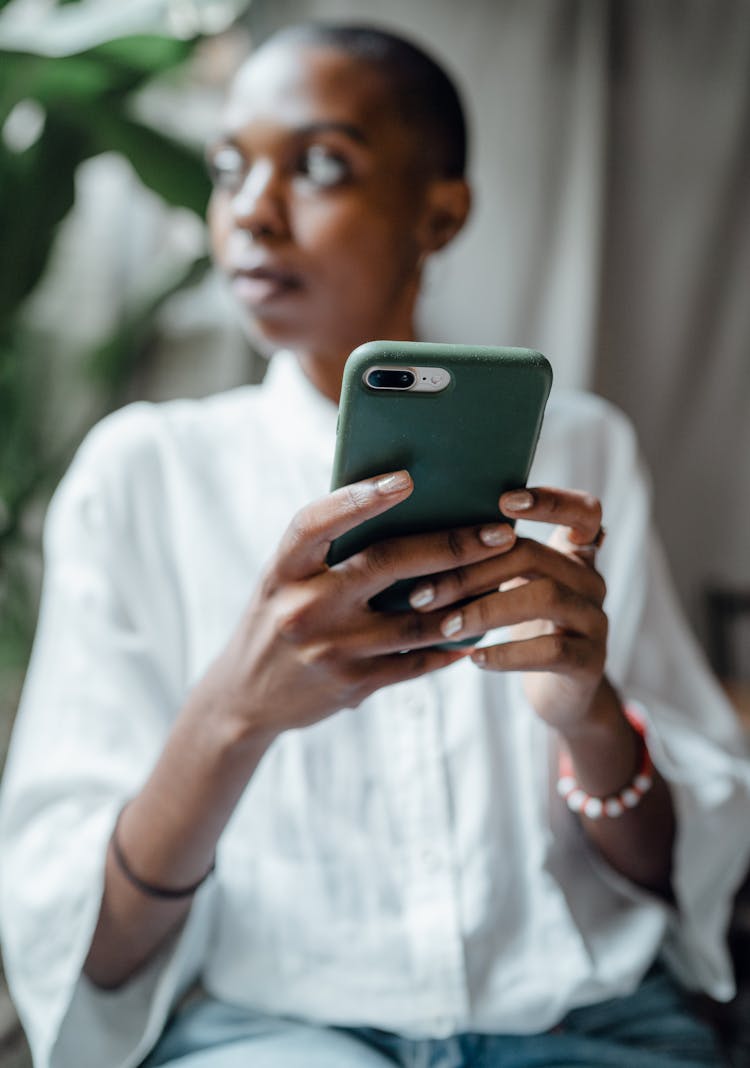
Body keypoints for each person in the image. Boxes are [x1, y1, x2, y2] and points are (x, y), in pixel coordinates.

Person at [0, 21, 748, 1068]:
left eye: (319, 165)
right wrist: (234, 714)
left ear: (439, 213)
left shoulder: (578, 449)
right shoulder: (139, 478)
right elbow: (84, 948)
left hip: (584, 1023)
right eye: (228, 169)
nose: (251, 211)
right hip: (276, 1031)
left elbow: (681, 873)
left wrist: (590, 722)